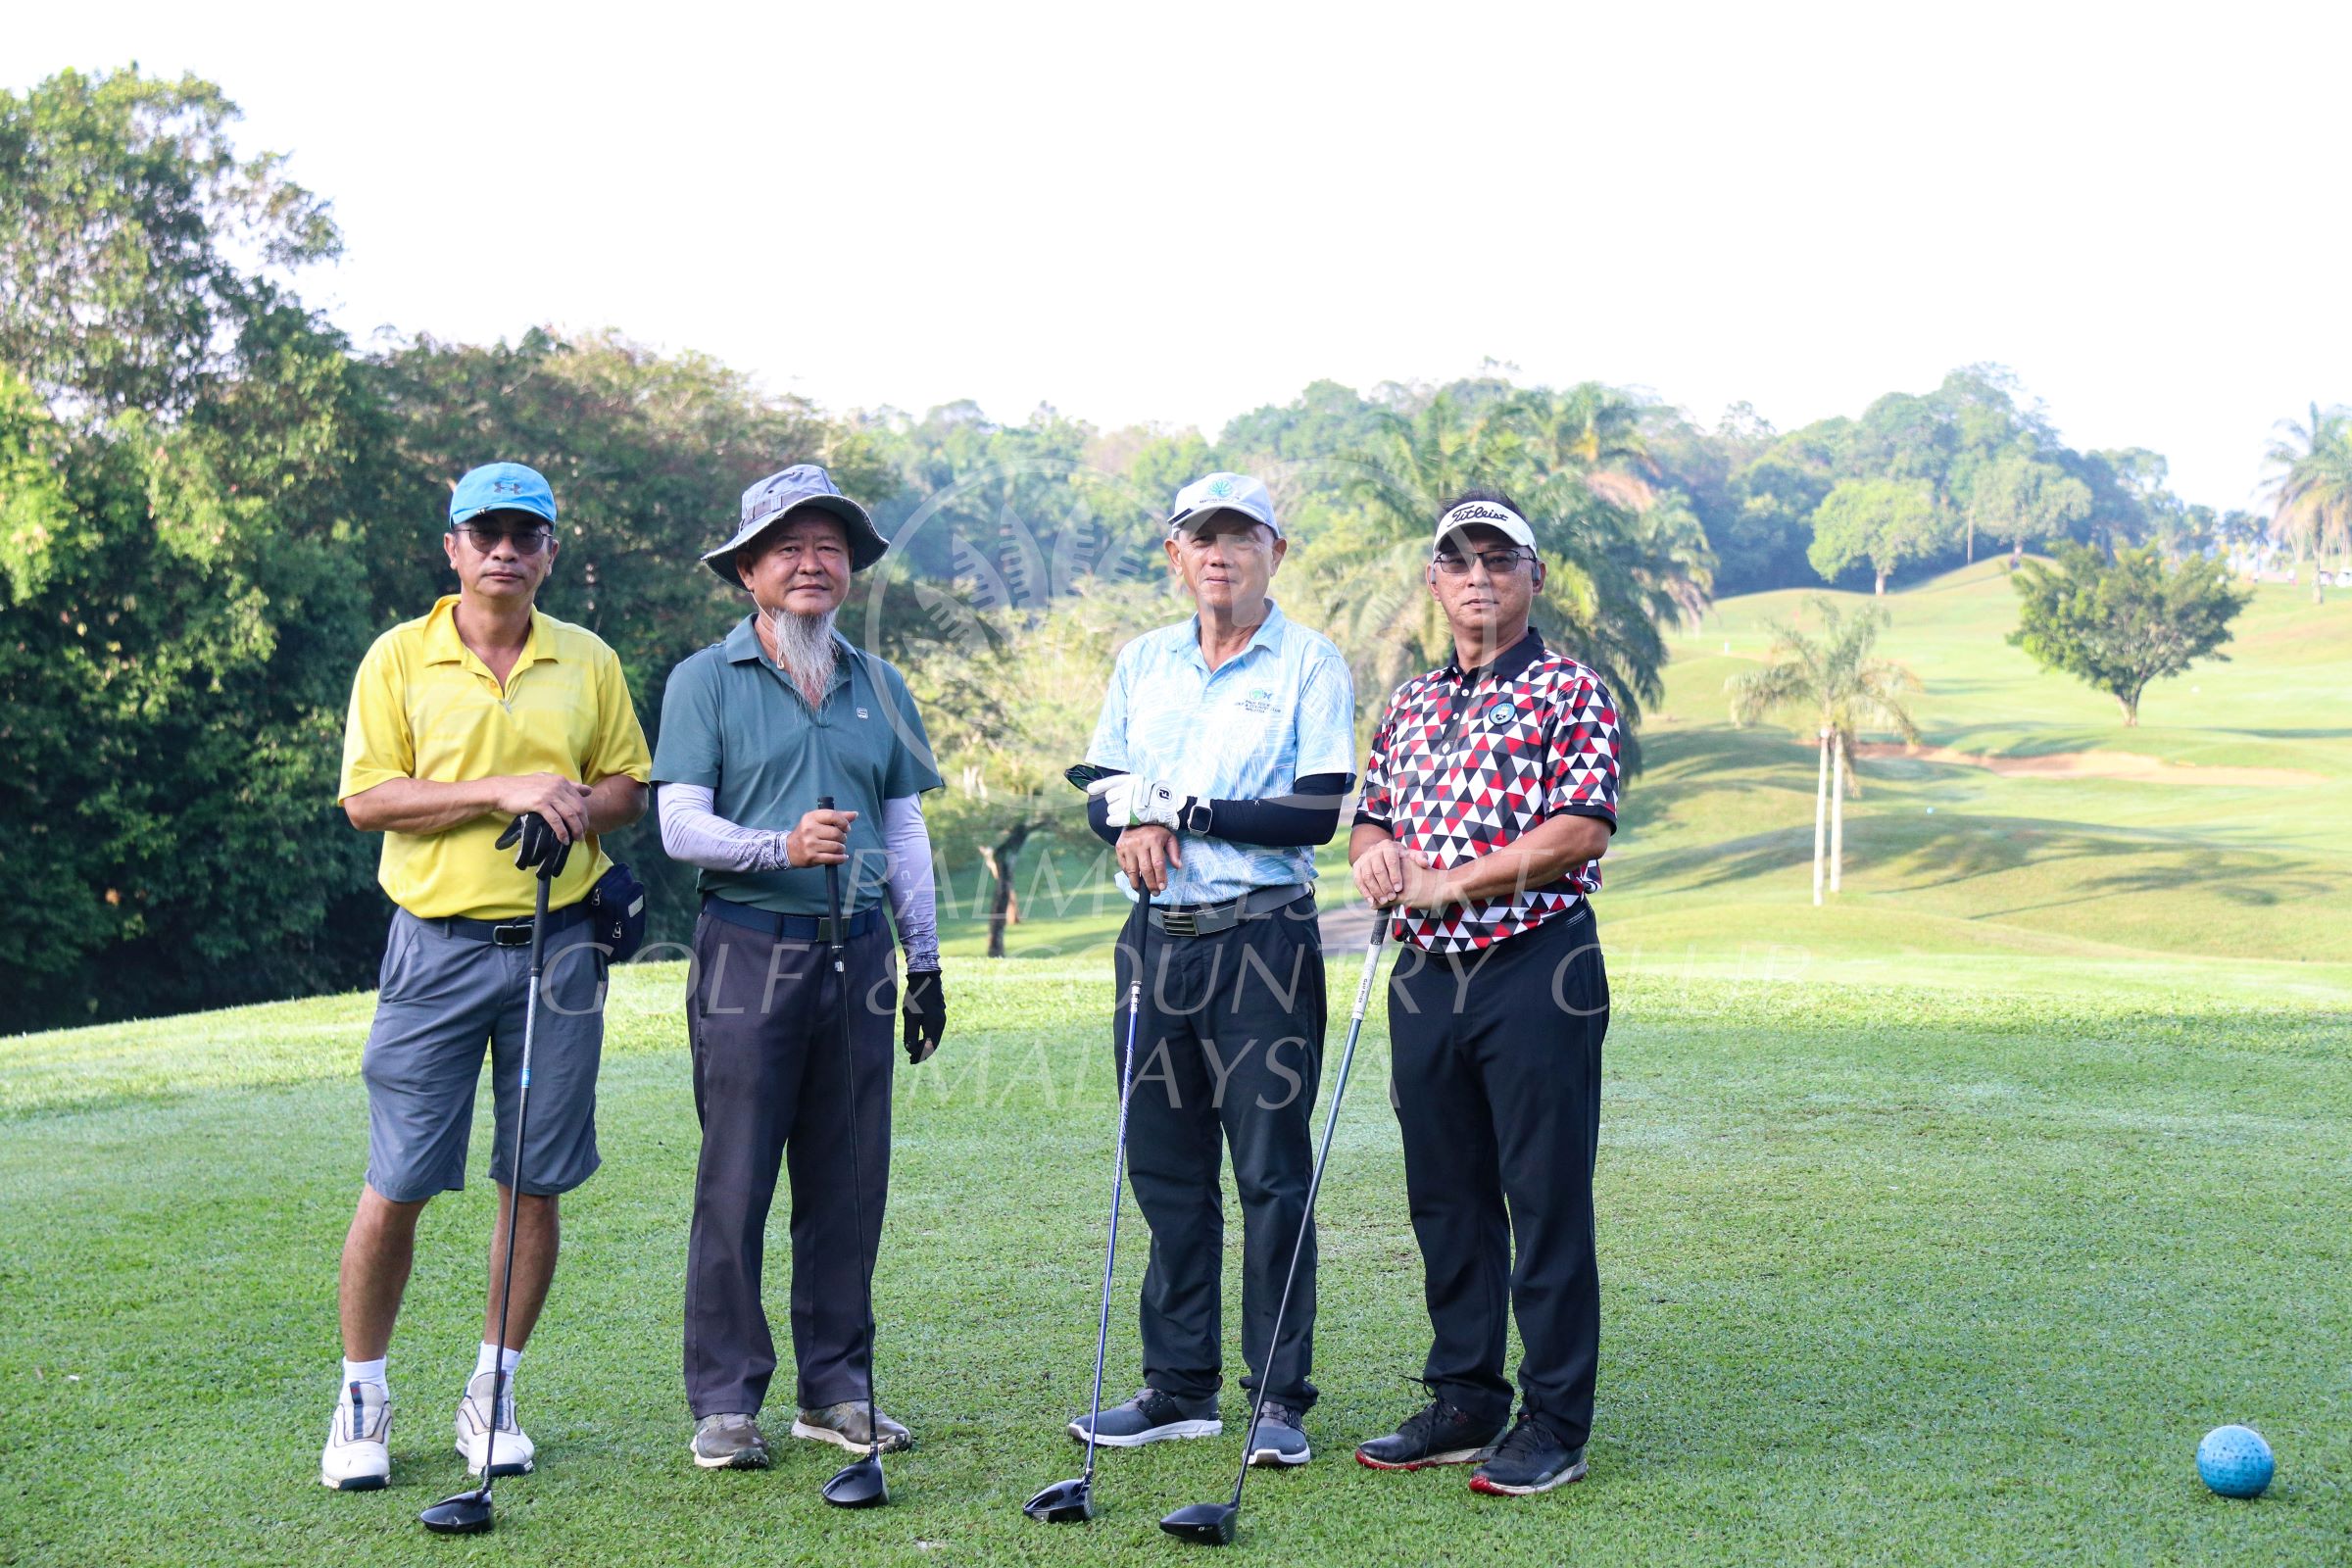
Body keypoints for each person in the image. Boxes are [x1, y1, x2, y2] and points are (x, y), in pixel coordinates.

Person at [323, 462, 652, 1491]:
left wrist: (571, 813)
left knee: (533, 1176)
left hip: (560, 951)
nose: (505, 548)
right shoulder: (397, 658)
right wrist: (503, 788)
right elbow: (369, 799)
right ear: (453, 546)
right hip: (434, 948)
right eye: (486, 531)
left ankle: (493, 1389)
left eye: (526, 532)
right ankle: (363, 1394)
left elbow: (626, 786)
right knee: (399, 1179)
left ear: (551, 551)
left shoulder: (587, 658)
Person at [653, 464, 948, 1471]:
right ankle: (728, 1403)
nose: (812, 562)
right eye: (788, 546)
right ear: (748, 570)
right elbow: (679, 824)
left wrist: (926, 963)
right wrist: (779, 845)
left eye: (829, 546)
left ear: (851, 570)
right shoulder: (705, 679)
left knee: (849, 1179)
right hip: (749, 946)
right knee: (736, 1181)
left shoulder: (881, 683)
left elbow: (905, 833)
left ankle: (837, 1391)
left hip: (858, 951)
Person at [1071, 471, 1356, 1467]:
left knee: (1271, 1170)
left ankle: (1279, 1394)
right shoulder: (1143, 661)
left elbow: (1316, 809)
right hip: (1156, 938)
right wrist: (1126, 822)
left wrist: (1177, 813)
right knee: (1165, 1166)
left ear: (1277, 552)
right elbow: (1099, 785)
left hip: (1262, 940)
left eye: (1243, 536)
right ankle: (1177, 1387)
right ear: (1176, 556)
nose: (1222, 554)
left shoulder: (1311, 665)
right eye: (1203, 538)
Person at [1348, 489, 1620, 1497]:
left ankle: (1555, 1421)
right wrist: (1379, 861)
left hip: (1535, 965)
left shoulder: (1570, 689)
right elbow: (1371, 817)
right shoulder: (1412, 702)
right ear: (1434, 581)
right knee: (1447, 1195)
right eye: (1458, 561)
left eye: (1498, 560)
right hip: (1426, 975)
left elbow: (1581, 828)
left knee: (1543, 1197)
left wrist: (1449, 881)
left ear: (1532, 577)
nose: (1478, 577)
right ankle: (1466, 1398)